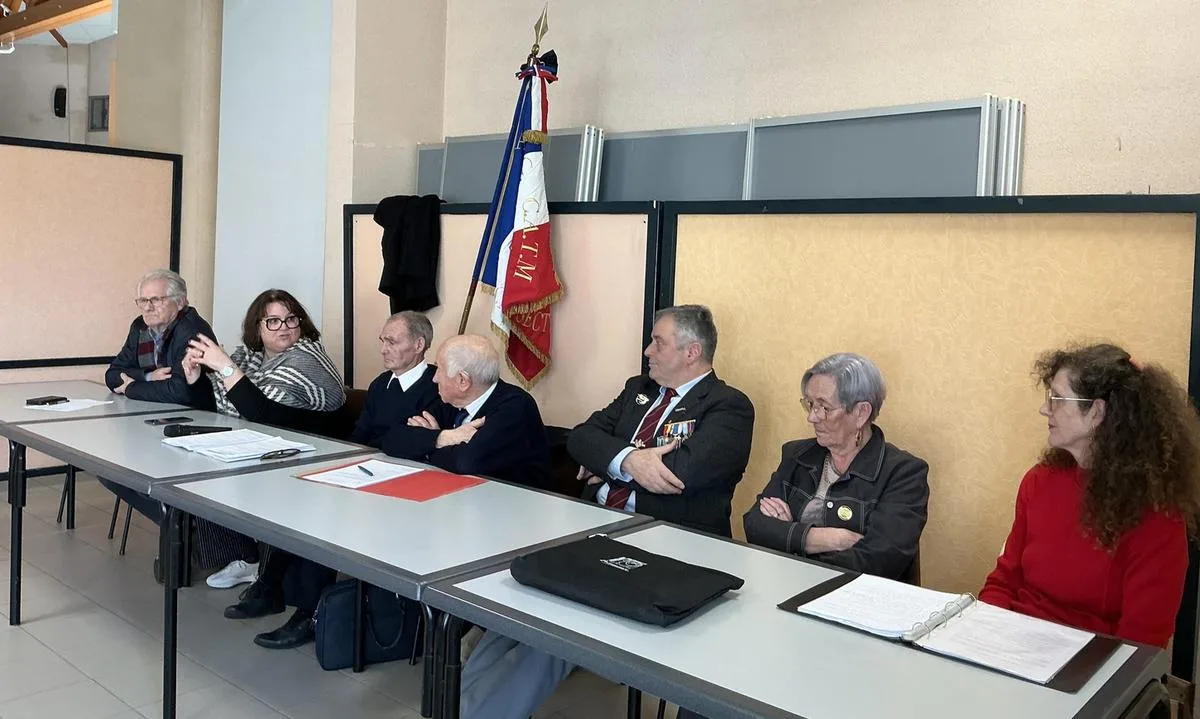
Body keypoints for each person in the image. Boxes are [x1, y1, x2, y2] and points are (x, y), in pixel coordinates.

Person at [459, 304, 755, 719]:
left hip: (665, 546)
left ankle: (479, 712)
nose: (648, 351)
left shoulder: (728, 407)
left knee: (562, 625)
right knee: (519, 604)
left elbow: (680, 474)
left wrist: (610, 465)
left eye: (658, 342)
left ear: (692, 352)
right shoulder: (640, 389)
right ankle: (457, 703)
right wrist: (630, 462)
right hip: (596, 528)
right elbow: (581, 437)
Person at [214, 311, 444, 650]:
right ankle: (269, 586)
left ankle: (309, 614)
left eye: (392, 341)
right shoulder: (381, 384)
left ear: (419, 345)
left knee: (324, 519)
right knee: (301, 500)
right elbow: (362, 434)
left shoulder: (435, 387)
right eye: (382, 340)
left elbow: (414, 443)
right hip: (369, 470)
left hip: (406, 484)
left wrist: (385, 448)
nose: (383, 348)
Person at [980, 344, 1200, 648]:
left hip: (1090, 663)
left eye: (1057, 399)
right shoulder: (1039, 481)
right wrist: (982, 635)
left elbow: (1141, 644)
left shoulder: (1157, 514)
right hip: (1011, 645)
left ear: (1097, 412)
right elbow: (1003, 581)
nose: (1045, 409)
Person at [743, 353, 929, 580]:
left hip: (857, 597)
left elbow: (878, 562)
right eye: (810, 404)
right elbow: (755, 525)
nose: (812, 417)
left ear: (861, 413)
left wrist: (789, 537)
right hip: (787, 586)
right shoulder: (797, 456)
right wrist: (830, 539)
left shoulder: (903, 473)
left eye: (824, 407)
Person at [99, 270, 216, 528]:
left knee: (121, 474)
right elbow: (112, 374)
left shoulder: (193, 331)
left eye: (157, 300)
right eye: (143, 300)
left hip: (194, 424)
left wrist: (132, 388)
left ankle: (183, 528)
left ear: (180, 301)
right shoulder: (140, 327)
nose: (148, 307)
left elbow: (181, 392)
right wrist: (149, 377)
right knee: (110, 470)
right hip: (151, 422)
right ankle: (179, 526)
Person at [383, 333, 551, 489]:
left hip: (514, 502)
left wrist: (427, 446)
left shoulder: (515, 406)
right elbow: (392, 438)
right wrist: (444, 437)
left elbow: (466, 462)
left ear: (462, 381)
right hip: (461, 493)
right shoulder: (450, 401)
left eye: (439, 369)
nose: (434, 378)